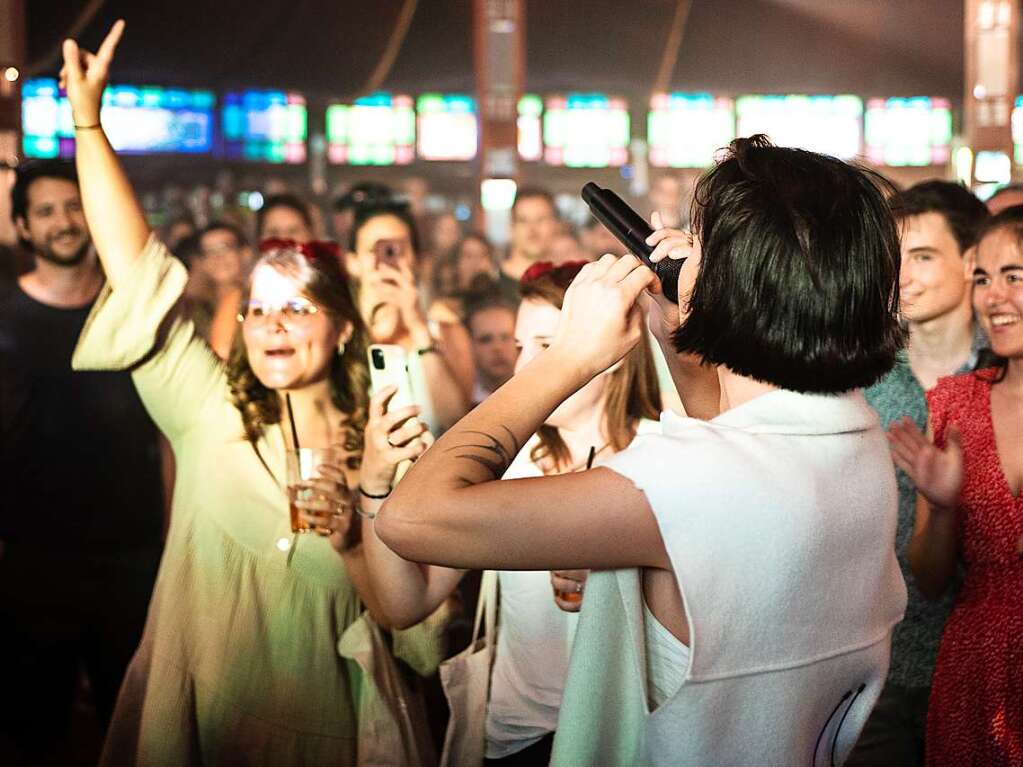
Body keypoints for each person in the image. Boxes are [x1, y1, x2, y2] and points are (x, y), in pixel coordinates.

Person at [379, 136, 908, 766]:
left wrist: (567, 356)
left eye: (700, 243)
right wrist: (684, 334)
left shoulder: (690, 484)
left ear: (732, 281)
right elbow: (730, 439)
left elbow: (412, 517)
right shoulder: (855, 436)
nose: (680, 256)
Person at [59, 23, 437, 764]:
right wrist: (87, 124)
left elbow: (413, 628)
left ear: (339, 330)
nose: (271, 325)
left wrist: (358, 522)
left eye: (295, 308)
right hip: (196, 729)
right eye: (260, 308)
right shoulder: (208, 412)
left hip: (328, 735)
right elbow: (138, 269)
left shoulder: (381, 449)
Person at [360, 260, 661, 764]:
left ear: (613, 349)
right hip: (514, 740)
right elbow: (403, 604)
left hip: (623, 743)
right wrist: (373, 485)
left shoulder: (663, 460)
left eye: (548, 347)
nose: (526, 369)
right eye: (523, 348)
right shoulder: (508, 463)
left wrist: (620, 580)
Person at [0, 157, 165, 763]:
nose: (64, 222)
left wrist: (173, 534)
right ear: (22, 227)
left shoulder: (134, 309)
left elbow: (169, 434)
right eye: (45, 211)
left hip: (133, 553)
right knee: (34, 730)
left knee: (135, 725)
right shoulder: (4, 316)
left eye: (74, 207)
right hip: (31, 560)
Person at [847, 181, 988, 767]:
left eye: (923, 257)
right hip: (878, 663)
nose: (901, 275)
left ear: (972, 263)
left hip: (985, 663)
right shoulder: (859, 375)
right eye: (894, 258)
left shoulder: (1007, 378)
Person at [887, 205, 1023, 767]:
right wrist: (943, 508)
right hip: (977, 663)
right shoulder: (958, 402)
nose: (993, 298)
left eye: (1014, 277)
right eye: (983, 280)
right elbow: (932, 578)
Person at [346, 203, 473, 426]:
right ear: (352, 262)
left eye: (395, 249)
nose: (384, 260)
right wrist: (365, 323)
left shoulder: (446, 332)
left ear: (416, 259)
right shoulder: (338, 334)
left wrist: (417, 326)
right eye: (373, 249)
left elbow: (454, 421)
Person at [183, 221, 251, 360]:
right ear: (202, 262)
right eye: (210, 252)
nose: (218, 257)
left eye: (225, 248)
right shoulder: (196, 313)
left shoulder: (258, 303)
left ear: (245, 253)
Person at [464, 292, 519, 405]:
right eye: (486, 339)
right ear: (469, 344)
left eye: (506, 337)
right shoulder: (461, 398)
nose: (497, 348)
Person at [500, 187, 560, 286]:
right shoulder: (487, 290)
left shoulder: (570, 290)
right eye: (523, 220)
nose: (532, 229)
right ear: (511, 228)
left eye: (541, 219)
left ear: (555, 225)